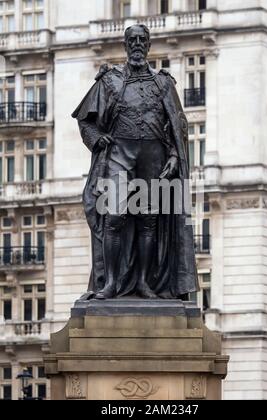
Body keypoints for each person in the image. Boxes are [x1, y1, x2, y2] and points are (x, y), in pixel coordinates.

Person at [72, 24, 197, 300]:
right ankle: (111, 284)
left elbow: (179, 125)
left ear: (149, 45)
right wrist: (96, 139)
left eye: (142, 40)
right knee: (114, 217)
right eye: (133, 40)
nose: (138, 44)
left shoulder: (163, 82)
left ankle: (143, 282)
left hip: (154, 157)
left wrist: (175, 155)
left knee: (148, 220)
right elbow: (85, 119)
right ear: (125, 45)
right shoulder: (109, 81)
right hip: (119, 154)